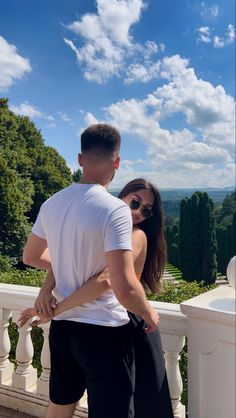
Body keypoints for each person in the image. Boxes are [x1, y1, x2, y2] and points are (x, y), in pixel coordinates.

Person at [22, 124, 159, 418]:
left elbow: (31, 256)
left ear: (80, 159)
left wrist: (58, 275)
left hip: (64, 330)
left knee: (59, 408)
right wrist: (148, 312)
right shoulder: (114, 209)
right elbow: (121, 285)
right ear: (117, 162)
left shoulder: (52, 203)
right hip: (104, 330)